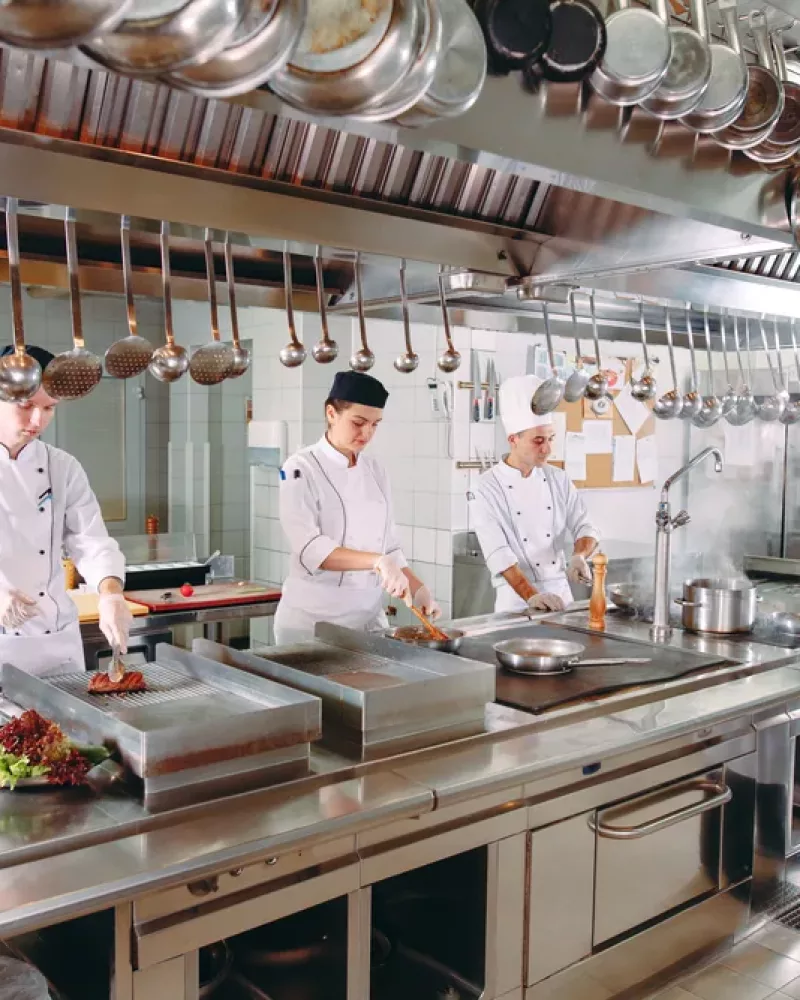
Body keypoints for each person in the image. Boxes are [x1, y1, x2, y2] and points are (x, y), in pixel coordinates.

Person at [274, 370, 440, 644]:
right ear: (331, 413)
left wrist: (418, 588)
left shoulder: (375, 470)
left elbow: (389, 548)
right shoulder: (299, 469)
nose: (367, 433)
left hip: (367, 620)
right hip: (312, 624)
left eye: (375, 424)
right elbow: (311, 549)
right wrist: (378, 562)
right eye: (358, 422)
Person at [0, 345, 131, 676]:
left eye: (49, 408)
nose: (37, 420)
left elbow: (91, 541)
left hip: (57, 644)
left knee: (66, 728)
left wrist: (111, 594)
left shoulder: (61, 467)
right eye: (26, 406)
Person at [469, 373, 600, 615]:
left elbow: (585, 526)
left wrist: (580, 556)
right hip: (517, 603)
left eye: (550, 439)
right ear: (513, 440)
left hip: (562, 598)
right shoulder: (486, 487)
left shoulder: (558, 478)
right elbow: (498, 553)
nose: (547, 449)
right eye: (538, 441)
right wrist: (532, 595)